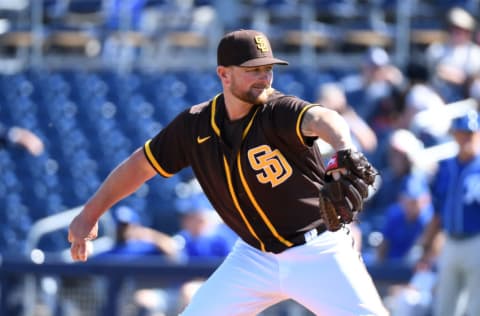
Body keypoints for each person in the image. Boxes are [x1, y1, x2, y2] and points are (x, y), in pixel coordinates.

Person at [68, 29, 388, 315]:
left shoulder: (277, 110)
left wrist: (345, 151)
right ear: (224, 74)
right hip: (253, 257)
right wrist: (90, 214)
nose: (264, 77)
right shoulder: (195, 126)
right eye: (253, 70)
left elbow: (325, 119)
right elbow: (139, 166)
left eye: (268, 69)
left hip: (318, 251)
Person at [419, 110, 480, 316]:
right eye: (462, 133)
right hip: (451, 242)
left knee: (475, 307)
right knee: (444, 307)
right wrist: (427, 245)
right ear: (454, 135)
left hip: (476, 242)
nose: (466, 138)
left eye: (470, 133)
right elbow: (438, 211)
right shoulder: (445, 167)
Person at [425, 7, 480, 103]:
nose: (457, 33)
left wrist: (460, 78)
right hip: (439, 96)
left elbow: (473, 81)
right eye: (454, 28)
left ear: (468, 32)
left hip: (466, 101)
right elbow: (434, 74)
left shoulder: (475, 52)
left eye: (461, 30)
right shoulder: (437, 49)